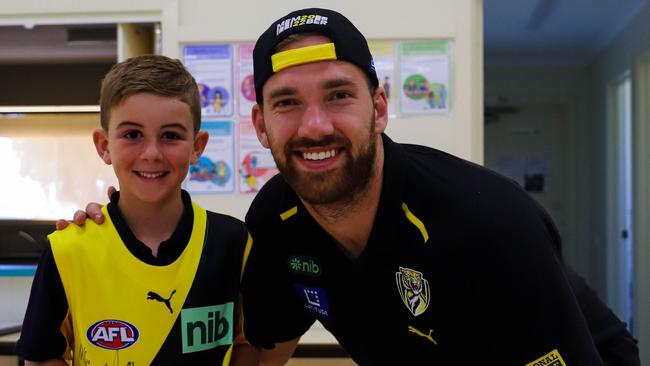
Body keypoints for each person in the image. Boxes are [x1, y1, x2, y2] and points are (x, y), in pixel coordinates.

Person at [63, 8, 639, 366]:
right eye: (287, 103)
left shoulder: (488, 223)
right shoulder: (276, 223)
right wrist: (108, 238)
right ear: (261, 126)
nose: (314, 126)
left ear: (379, 107)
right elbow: (262, 350)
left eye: (338, 95)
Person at [16, 55, 257, 365]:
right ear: (104, 145)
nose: (152, 153)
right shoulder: (68, 249)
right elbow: (42, 355)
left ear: (198, 146)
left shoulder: (234, 242)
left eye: (171, 135)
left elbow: (248, 343)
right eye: (132, 135)